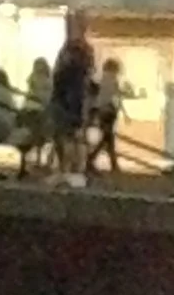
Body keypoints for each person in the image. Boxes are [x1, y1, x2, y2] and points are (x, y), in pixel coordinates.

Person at [50, 19, 96, 182]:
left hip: (69, 102)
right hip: (71, 101)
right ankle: (72, 168)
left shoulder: (73, 61)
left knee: (69, 137)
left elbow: (60, 80)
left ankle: (69, 168)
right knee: (72, 137)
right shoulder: (81, 57)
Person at [90, 56, 126, 175]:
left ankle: (112, 164)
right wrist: (124, 112)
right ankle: (91, 158)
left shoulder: (103, 79)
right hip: (108, 111)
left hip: (102, 111)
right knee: (107, 138)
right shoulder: (111, 80)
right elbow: (114, 97)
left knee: (108, 139)